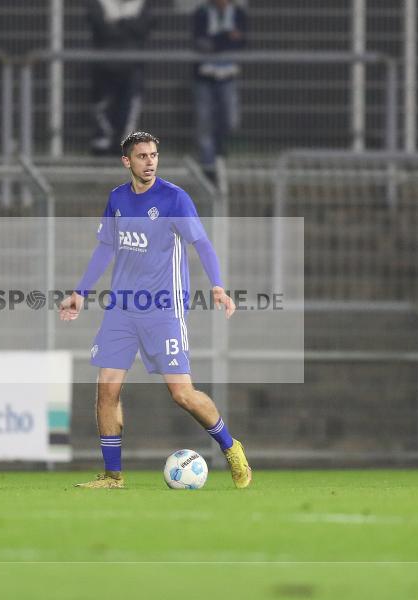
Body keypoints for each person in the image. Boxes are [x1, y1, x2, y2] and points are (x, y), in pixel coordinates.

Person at [59, 131, 252, 489]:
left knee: (182, 394)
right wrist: (80, 292)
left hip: (164, 309)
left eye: (153, 156)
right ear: (127, 161)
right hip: (121, 308)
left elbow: (202, 243)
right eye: (142, 156)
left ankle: (230, 446)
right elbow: (106, 248)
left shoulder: (174, 198)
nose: (150, 162)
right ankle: (113, 476)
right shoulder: (117, 198)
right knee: (106, 389)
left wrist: (217, 285)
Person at [86, 0, 155, 155]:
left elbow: (143, 27)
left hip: (132, 68)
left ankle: (125, 146)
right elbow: (100, 27)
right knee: (103, 108)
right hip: (104, 67)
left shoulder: (141, 4)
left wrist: (116, 22)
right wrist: (127, 25)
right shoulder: (100, 3)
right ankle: (102, 148)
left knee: (129, 109)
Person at [192, 0, 248, 181]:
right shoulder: (201, 13)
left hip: (228, 74)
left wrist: (217, 41)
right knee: (204, 123)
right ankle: (208, 167)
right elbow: (201, 43)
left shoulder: (238, 13)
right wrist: (227, 38)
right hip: (204, 75)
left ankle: (220, 150)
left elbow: (241, 41)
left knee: (230, 119)